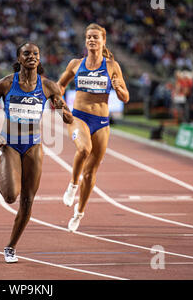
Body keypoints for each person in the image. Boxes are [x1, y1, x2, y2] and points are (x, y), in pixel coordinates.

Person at [0, 42, 73, 263]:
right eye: (26, 53)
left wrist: (63, 110)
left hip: (34, 145)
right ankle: (1, 160)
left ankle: (11, 247)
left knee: (28, 200)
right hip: (10, 144)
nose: (31, 56)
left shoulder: (49, 86)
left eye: (35, 54)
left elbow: (67, 117)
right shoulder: (5, 84)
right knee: (11, 196)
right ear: (19, 59)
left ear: (39, 59)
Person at [57, 23, 129, 232]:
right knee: (84, 149)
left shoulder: (112, 66)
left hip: (102, 122)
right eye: (88, 37)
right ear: (85, 40)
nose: (91, 40)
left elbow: (125, 97)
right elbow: (59, 86)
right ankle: (72, 185)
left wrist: (118, 88)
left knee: (90, 174)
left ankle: (79, 213)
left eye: (96, 37)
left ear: (103, 41)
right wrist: (62, 107)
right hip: (78, 116)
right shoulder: (75, 64)